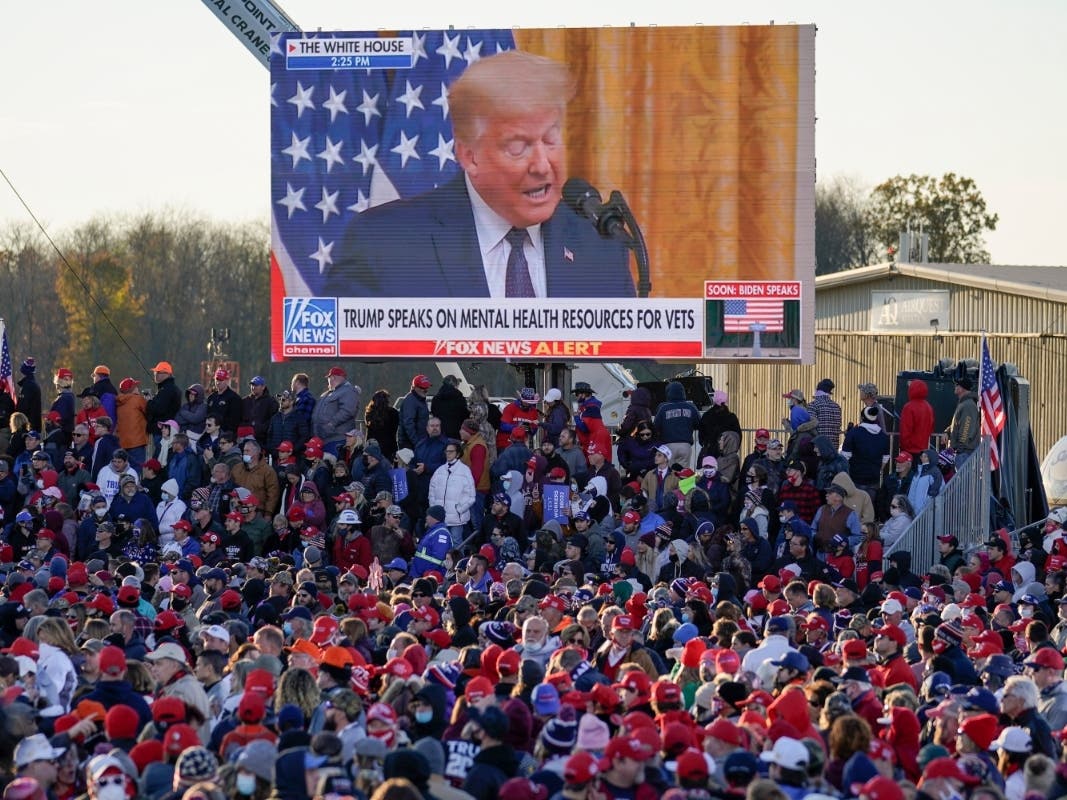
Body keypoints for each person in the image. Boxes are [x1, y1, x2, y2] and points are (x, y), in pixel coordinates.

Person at [327, 50, 635, 299]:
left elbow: (629, 364)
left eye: (551, 140)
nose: (542, 165)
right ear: (469, 156)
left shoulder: (600, 244)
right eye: (518, 147)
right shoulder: (383, 242)